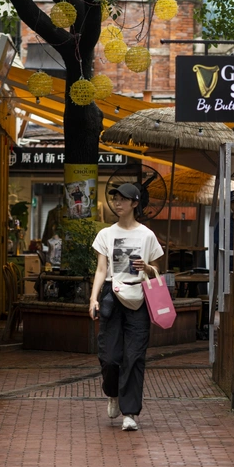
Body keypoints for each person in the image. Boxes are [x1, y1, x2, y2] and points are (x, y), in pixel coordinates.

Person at [89, 183, 163, 432]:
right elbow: (101, 269)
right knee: (109, 357)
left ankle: (129, 412)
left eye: (123, 199)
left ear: (135, 203)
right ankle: (113, 393)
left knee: (134, 356)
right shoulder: (106, 234)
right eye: (115, 199)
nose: (117, 203)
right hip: (112, 294)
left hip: (139, 297)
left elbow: (156, 268)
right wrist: (93, 298)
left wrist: (147, 268)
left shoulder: (147, 235)